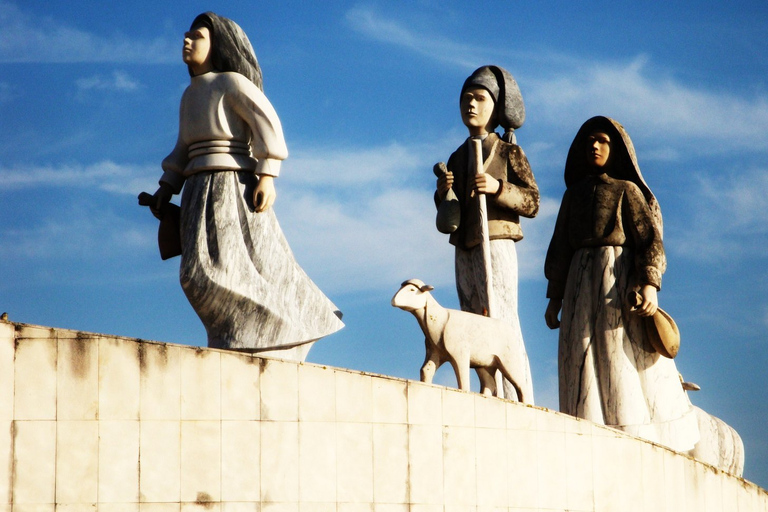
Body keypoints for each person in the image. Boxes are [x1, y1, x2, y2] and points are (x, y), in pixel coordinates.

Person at [147, 12, 343, 361]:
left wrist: (268, 175)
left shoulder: (231, 83)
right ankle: (233, 335)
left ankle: (275, 332)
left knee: (228, 269)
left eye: (198, 36)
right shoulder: (189, 95)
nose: (187, 40)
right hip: (196, 188)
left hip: (231, 185)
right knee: (195, 274)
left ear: (217, 45)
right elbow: (183, 146)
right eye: (186, 34)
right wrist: (167, 186)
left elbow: (267, 125)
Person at [544, 116, 699, 451]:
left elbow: (650, 242)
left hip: (615, 278)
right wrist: (554, 295)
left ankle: (629, 432)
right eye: (589, 142)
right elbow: (559, 248)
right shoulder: (573, 196)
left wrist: (649, 284)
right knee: (578, 354)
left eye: (601, 140)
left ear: (616, 149)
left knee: (615, 354)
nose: (594, 147)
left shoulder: (626, 191)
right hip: (578, 283)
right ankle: (584, 425)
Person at [434, 65, 539, 402]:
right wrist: (444, 192)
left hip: (495, 240)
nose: (471, 105)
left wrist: (497, 188)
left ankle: (517, 393)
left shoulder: (509, 152)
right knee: (471, 316)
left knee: (501, 317)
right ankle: (488, 386)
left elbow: (532, 201)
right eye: (467, 98)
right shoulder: (457, 156)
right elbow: (449, 211)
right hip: (464, 244)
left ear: (495, 106)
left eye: (480, 98)